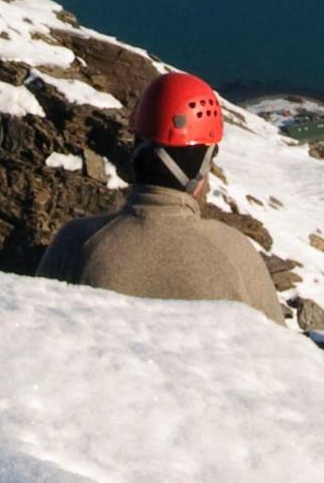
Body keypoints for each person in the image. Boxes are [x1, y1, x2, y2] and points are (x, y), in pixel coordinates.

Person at [37, 70, 287, 322]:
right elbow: (282, 354)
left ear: (137, 150)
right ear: (203, 164)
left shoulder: (75, 244)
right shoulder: (235, 255)